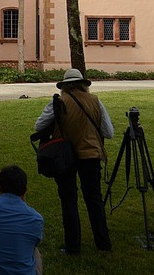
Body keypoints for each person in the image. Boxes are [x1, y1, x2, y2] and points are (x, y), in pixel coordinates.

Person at [34, 68, 114, 254]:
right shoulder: (95, 101)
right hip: (91, 155)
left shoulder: (59, 102)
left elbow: (38, 126)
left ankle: (73, 245)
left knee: (69, 200)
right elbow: (108, 132)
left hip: (64, 157)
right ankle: (103, 243)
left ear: (64, 87)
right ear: (83, 85)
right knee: (94, 199)